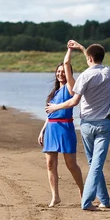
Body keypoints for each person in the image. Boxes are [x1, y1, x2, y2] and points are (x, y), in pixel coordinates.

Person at [46, 40, 110, 210]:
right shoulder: (109, 72)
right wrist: (83, 48)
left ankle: (90, 199)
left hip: (86, 125)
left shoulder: (84, 76)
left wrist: (55, 107)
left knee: (94, 164)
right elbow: (92, 59)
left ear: (89, 59)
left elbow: (74, 101)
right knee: (95, 164)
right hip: (103, 123)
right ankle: (97, 200)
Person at [38, 46, 84, 207]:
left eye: (63, 71)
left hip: (65, 129)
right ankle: (55, 196)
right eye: (58, 72)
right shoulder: (55, 92)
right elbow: (50, 113)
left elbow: (66, 63)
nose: (60, 74)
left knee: (71, 164)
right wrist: (43, 130)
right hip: (51, 128)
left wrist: (70, 52)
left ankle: (83, 192)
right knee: (50, 165)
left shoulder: (71, 88)